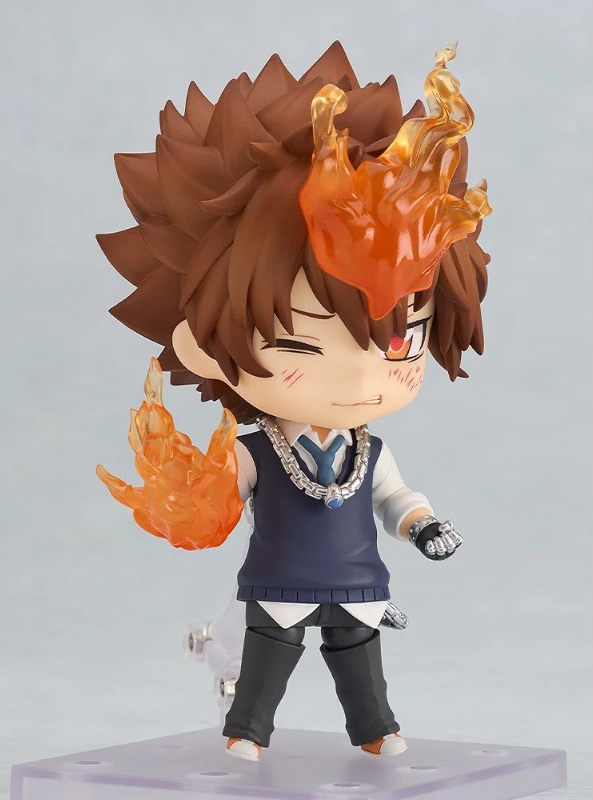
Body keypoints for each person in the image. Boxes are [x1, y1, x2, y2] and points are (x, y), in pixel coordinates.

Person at [96, 40, 491, 762]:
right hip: (278, 582)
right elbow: (218, 492)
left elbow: (396, 499)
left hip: (358, 582)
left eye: (401, 342)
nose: (361, 376)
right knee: (267, 662)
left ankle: (375, 731)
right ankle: (246, 731)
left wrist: (424, 526)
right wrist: (186, 496)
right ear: (201, 343)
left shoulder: (372, 451)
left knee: (361, 664)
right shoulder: (258, 450)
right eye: (304, 344)